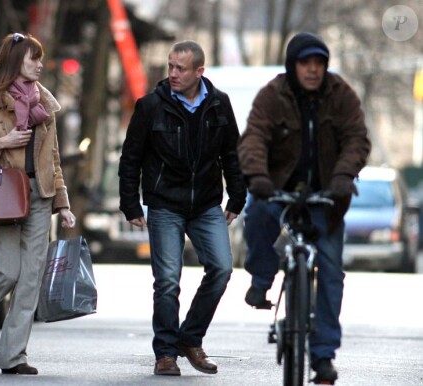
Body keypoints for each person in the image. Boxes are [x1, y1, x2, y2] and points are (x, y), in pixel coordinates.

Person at [237, 32, 371, 384]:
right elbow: (253, 137)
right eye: (305, 63)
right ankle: (262, 278)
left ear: (325, 67)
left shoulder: (340, 95)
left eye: (319, 64)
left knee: (330, 274)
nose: (312, 71)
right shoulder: (273, 95)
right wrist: (257, 177)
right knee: (256, 212)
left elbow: (357, 139)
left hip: (327, 197)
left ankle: (323, 356)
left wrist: (343, 176)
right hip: (278, 190)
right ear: (292, 65)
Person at [119, 40, 247, 376]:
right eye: (170, 66)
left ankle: (190, 339)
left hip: (206, 203)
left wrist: (236, 196)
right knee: (167, 282)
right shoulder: (150, 107)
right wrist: (130, 203)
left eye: (181, 68)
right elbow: (130, 158)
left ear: (199, 71)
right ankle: (165, 353)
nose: (173, 73)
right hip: (165, 204)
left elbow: (232, 154)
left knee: (221, 268)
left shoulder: (219, 104)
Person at [0, 32, 76, 375]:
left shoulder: (45, 102)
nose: (40, 65)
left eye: (40, 59)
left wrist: (62, 203)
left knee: (30, 278)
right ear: (15, 60)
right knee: (4, 273)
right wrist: (2, 141)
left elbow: (52, 157)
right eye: (33, 58)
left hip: (39, 194)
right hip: (3, 195)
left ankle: (14, 357)